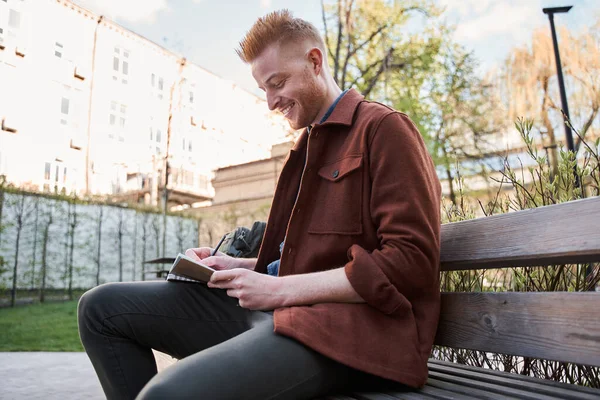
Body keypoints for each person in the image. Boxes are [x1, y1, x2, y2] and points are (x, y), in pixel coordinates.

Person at [78, 9, 441, 400]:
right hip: (279, 315)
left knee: (166, 394)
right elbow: (312, 260)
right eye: (263, 89)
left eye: (277, 83)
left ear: (315, 62)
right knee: (100, 309)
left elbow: (411, 262)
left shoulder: (384, 130)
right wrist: (240, 267)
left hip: (348, 335)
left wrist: (279, 290)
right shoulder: (305, 149)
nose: (270, 102)